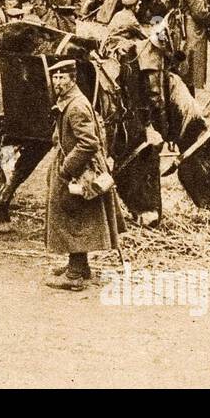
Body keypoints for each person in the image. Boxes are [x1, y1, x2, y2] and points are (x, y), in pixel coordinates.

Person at [43, 60, 121, 291]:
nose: (57, 83)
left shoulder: (76, 106)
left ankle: (75, 275)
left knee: (73, 217)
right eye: (55, 78)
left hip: (78, 170)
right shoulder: (70, 100)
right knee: (75, 215)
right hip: (74, 166)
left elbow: (88, 143)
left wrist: (66, 169)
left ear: (72, 79)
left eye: (62, 78)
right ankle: (79, 265)